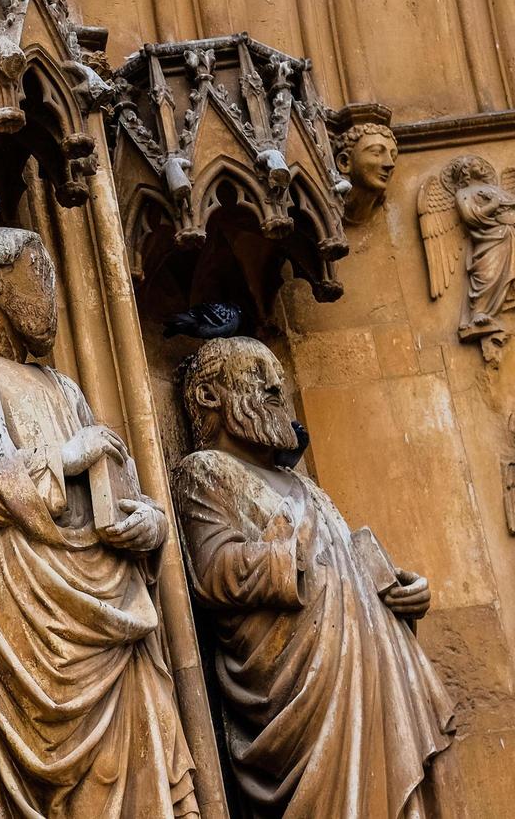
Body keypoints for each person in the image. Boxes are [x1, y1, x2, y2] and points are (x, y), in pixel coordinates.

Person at [0, 226, 199, 819]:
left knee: (145, 739)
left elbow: (120, 481)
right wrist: (66, 458)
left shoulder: (64, 387)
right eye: (38, 274)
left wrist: (148, 523)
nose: (53, 294)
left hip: (112, 606)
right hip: (30, 601)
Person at [174, 336, 458, 819]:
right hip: (298, 685)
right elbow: (213, 571)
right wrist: (290, 557)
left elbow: (352, 560)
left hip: (368, 667)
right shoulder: (206, 472)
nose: (274, 387)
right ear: (208, 396)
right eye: (258, 375)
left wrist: (400, 594)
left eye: (278, 381)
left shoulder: (308, 487)